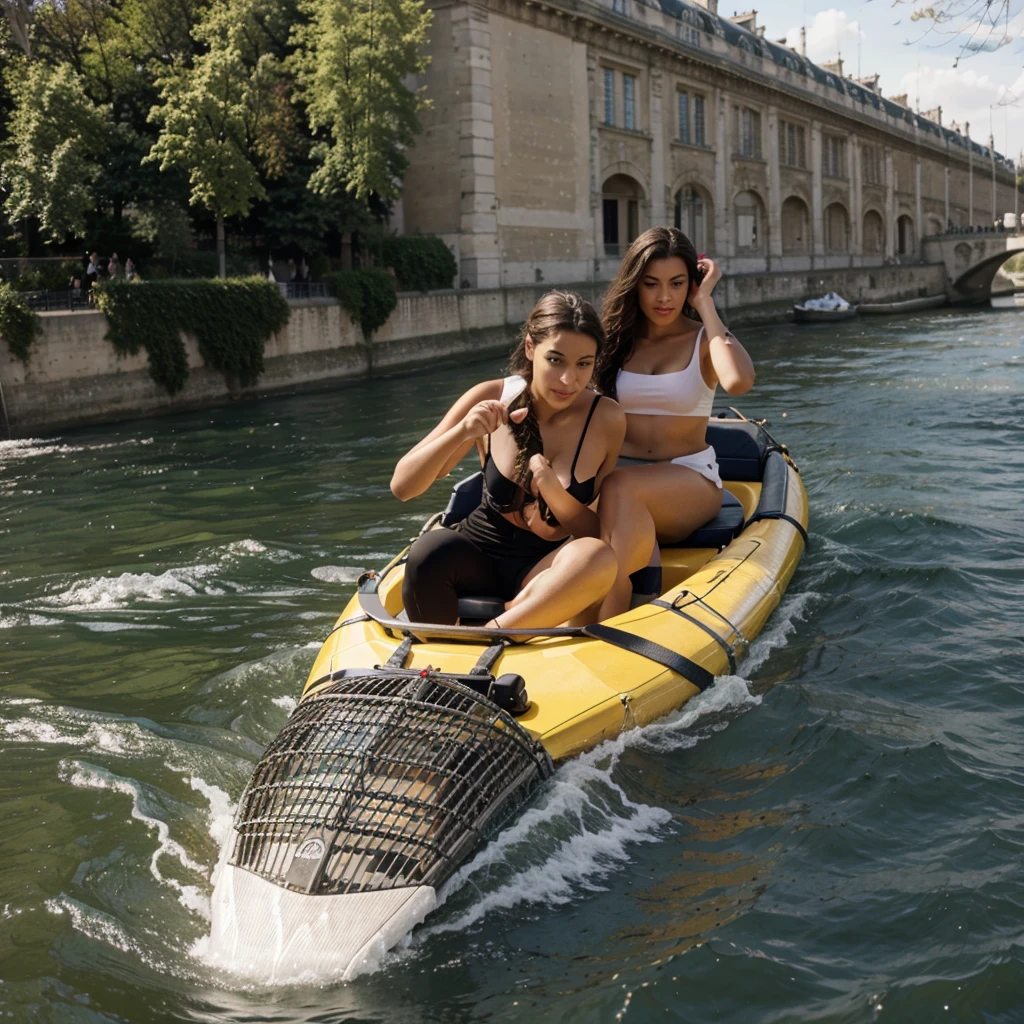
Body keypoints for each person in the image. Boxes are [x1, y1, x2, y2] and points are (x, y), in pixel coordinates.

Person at [392, 290, 626, 627]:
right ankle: (438, 652)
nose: (568, 380)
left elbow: (597, 530)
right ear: (531, 348)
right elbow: (403, 486)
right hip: (475, 559)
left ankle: (497, 632)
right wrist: (463, 432)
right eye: (555, 360)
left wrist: (554, 494)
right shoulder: (492, 396)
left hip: (545, 573)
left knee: (598, 557)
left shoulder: (606, 419)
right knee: (428, 551)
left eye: (583, 364)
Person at [593, 226, 755, 618]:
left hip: (688, 479)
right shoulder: (614, 340)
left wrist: (705, 303)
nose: (664, 297)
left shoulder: (705, 341)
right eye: (651, 284)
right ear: (635, 285)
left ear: (691, 285)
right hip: (618, 480)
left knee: (619, 488)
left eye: (677, 284)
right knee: (608, 490)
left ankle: (607, 622)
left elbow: (737, 382)